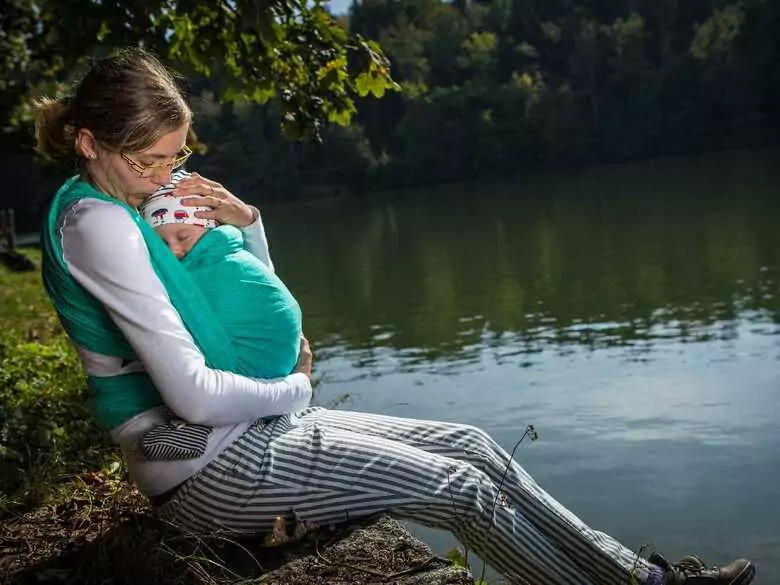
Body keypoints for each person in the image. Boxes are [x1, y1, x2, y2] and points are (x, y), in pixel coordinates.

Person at [34, 47, 755, 585]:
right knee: (462, 490)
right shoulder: (101, 225)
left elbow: (256, 310)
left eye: (176, 155)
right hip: (203, 468)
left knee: (471, 442)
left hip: (233, 432)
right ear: (90, 142)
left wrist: (246, 227)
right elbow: (191, 392)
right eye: (148, 161)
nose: (165, 176)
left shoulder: (126, 207)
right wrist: (298, 388)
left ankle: (644, 579)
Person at [138, 169, 303, 382]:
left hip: (251, 381)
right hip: (266, 380)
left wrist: (249, 220)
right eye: (162, 244)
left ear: (211, 228)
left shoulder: (225, 258)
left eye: (183, 237)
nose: (174, 251)